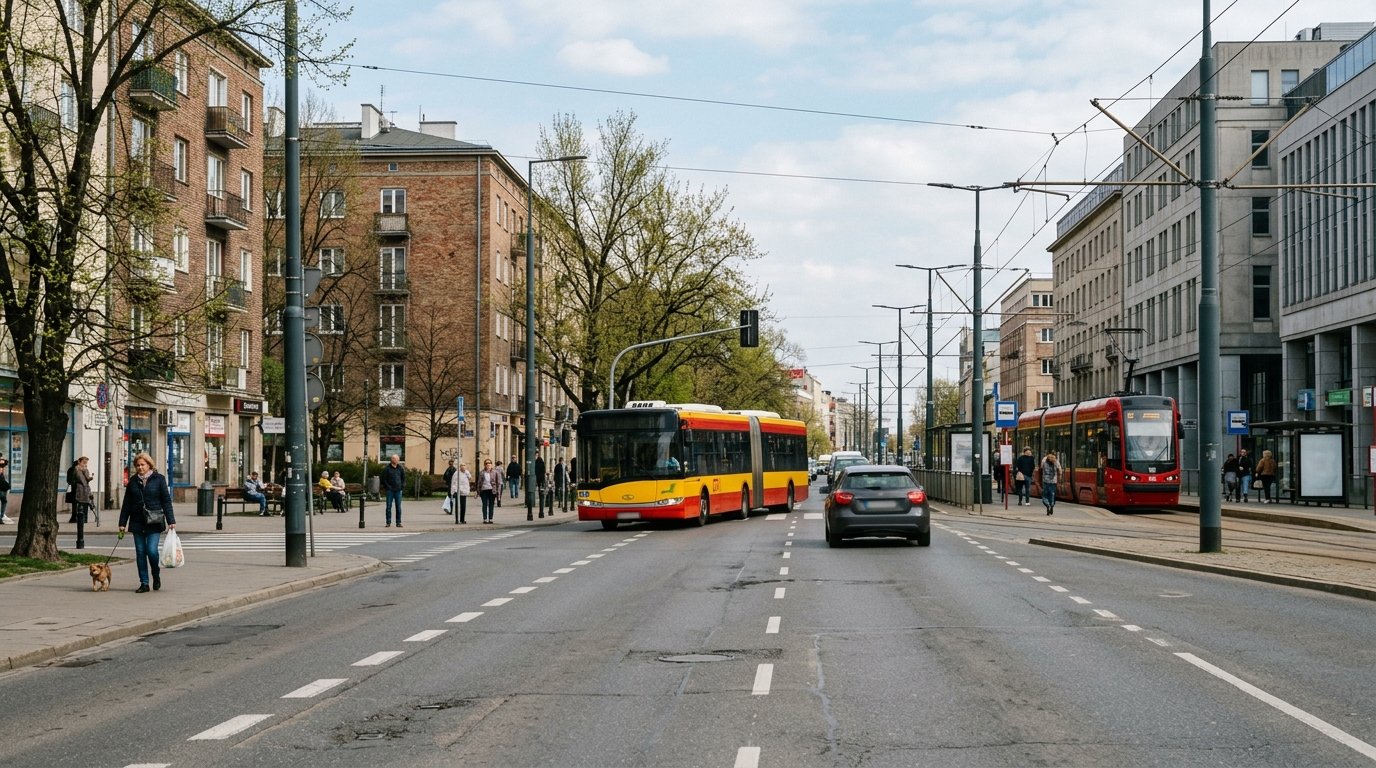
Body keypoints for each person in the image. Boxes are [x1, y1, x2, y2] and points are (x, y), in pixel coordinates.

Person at [118, 451, 175, 593]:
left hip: (154, 521)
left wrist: (171, 520)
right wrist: (122, 523)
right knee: (140, 552)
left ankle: (156, 575)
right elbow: (127, 504)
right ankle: (144, 582)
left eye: (143, 465)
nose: (140, 468)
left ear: (149, 465)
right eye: (137, 465)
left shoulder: (159, 479)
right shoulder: (133, 481)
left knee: (151, 550)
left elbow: (166, 501)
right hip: (137, 521)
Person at [67, 456, 94, 524]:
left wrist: (89, 477)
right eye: (84, 462)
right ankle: (78, 518)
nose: (85, 464)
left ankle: (85, 519)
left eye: (86, 462)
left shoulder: (86, 470)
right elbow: (73, 479)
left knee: (86, 503)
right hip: (78, 489)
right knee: (79, 504)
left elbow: (87, 479)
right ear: (79, 462)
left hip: (85, 489)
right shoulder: (76, 469)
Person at [382, 454, 406, 527]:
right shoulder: (387, 469)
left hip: (398, 490)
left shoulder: (400, 468)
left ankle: (398, 522)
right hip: (390, 491)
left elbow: (403, 478)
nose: (395, 460)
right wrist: (388, 487)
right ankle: (388, 522)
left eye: (396, 459)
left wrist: (402, 486)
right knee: (388, 507)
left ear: (398, 460)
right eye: (394, 459)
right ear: (391, 460)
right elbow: (383, 479)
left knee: (398, 507)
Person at [478, 458, 502, 523]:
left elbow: (498, 483)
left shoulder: (495, 472)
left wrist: (498, 492)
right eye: (486, 463)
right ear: (484, 465)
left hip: (492, 490)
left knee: (491, 504)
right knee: (484, 504)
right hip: (484, 490)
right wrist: (478, 491)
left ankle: (490, 518)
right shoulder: (482, 472)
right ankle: (485, 518)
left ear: (491, 464)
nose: (488, 465)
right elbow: (479, 482)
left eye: (489, 463)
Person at [1040, 451, 1061, 516]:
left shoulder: (1044, 460)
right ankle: (1052, 505)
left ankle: (1047, 505)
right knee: (1052, 495)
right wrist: (1059, 480)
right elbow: (1060, 471)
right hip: (1053, 482)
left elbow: (1041, 469)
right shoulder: (1056, 461)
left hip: (1045, 481)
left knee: (1045, 495)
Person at [0, 457, 12, 524]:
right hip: (1, 487)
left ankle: (1, 516)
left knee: (4, 501)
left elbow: (6, 462)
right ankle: (1, 516)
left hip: (2, 487)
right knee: (4, 501)